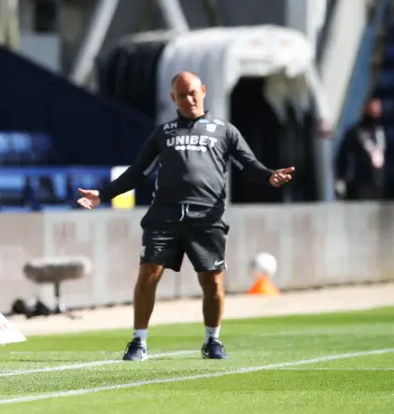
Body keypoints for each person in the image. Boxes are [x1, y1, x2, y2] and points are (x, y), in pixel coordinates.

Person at [77, 71, 294, 360]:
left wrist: (269, 176)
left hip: (207, 217)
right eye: (181, 95)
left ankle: (212, 340)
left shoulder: (224, 131)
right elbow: (138, 172)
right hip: (164, 217)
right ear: (173, 98)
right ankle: (139, 341)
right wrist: (103, 195)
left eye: (192, 92)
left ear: (203, 90)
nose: (188, 99)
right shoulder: (163, 134)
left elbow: (248, 164)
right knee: (148, 274)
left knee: (212, 282)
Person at [335, 97, 386, 200]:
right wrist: (342, 178)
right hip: (358, 185)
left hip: (377, 183)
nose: (376, 110)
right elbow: (344, 157)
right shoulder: (355, 132)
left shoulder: (379, 131)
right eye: (373, 107)